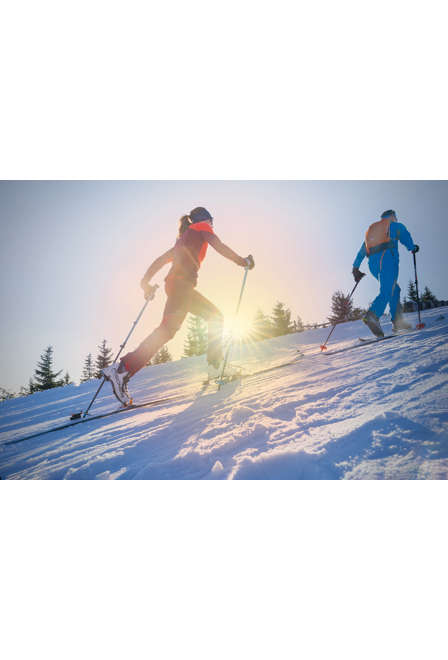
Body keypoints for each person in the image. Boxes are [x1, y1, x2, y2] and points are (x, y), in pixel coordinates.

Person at [103, 207, 254, 405]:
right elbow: (219, 246)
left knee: (176, 328)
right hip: (181, 287)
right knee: (207, 319)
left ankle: (124, 369)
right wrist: (242, 261)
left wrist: (145, 283)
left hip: (177, 287)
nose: (212, 225)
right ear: (204, 219)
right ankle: (123, 369)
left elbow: (159, 261)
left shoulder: (182, 239)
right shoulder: (201, 227)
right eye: (212, 221)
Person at [352, 209, 419, 338]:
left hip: (373, 263)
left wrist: (355, 268)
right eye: (395, 217)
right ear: (392, 216)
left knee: (394, 289)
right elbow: (405, 235)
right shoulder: (393, 225)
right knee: (388, 289)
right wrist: (412, 247)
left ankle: (398, 321)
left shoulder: (373, 230)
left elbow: (362, 251)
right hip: (387, 257)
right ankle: (372, 315)